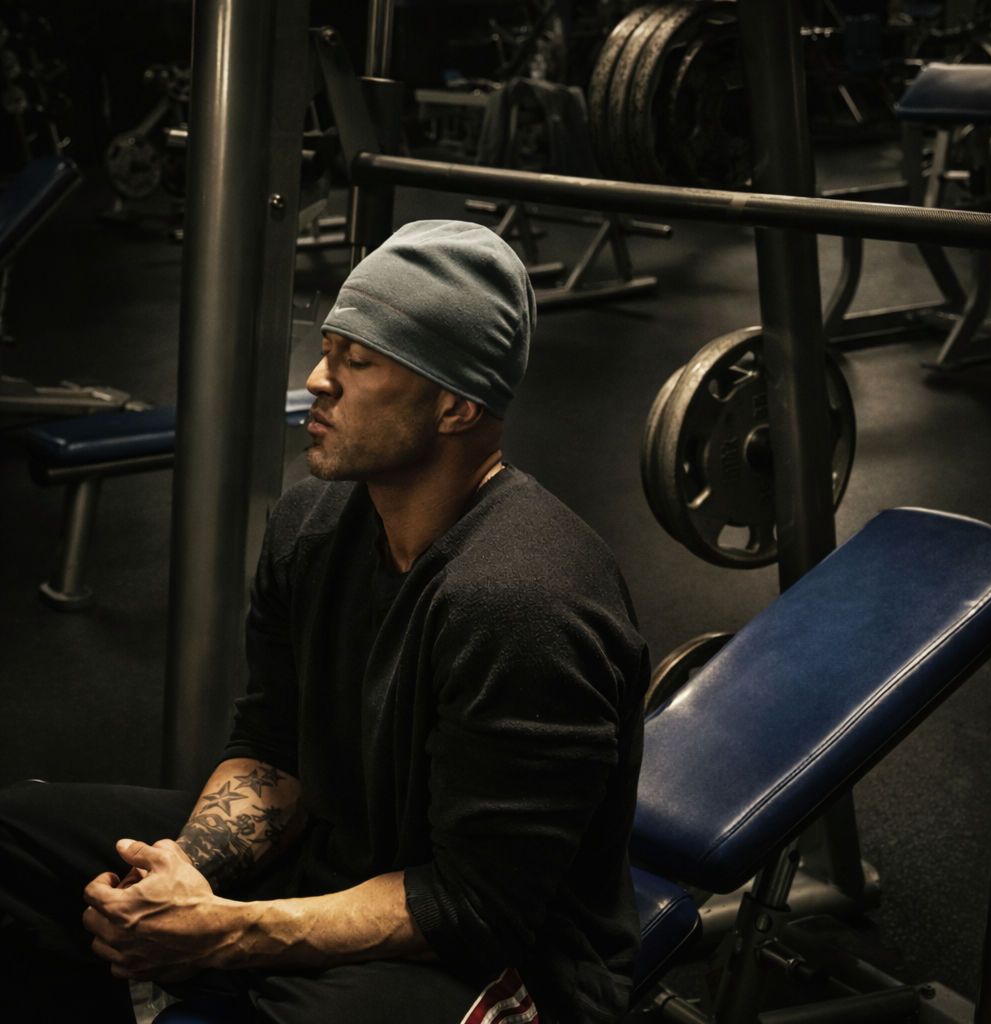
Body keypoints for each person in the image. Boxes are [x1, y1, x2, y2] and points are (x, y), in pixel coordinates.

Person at [0, 220, 650, 1024]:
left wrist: (224, 934)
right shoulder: (310, 524)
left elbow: (478, 907)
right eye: (328, 351)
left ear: (455, 404)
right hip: (333, 865)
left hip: (503, 960)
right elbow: (275, 749)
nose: (316, 379)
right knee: (16, 838)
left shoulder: (524, 603)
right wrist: (179, 882)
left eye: (358, 362)